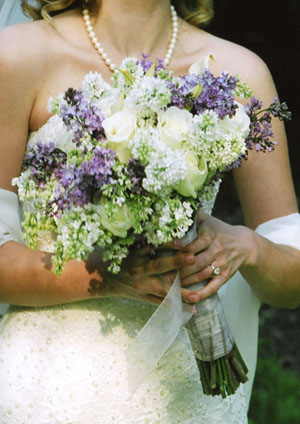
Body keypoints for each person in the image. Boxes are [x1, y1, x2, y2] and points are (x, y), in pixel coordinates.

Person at [0, 0, 300, 422]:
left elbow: (291, 277)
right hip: (47, 392)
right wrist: (107, 275)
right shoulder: (16, 57)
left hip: (189, 400)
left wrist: (246, 248)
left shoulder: (238, 71)